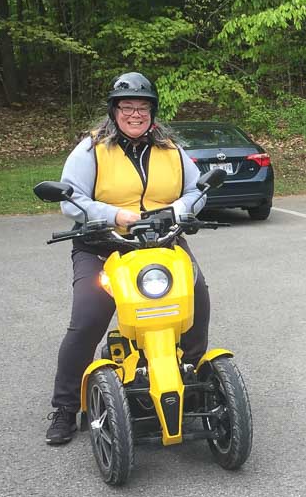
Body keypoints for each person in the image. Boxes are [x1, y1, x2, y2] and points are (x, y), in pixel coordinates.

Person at [45, 72, 211, 444]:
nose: (135, 114)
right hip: (104, 244)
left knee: (196, 304)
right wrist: (114, 215)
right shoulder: (91, 149)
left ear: (152, 112)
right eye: (127, 107)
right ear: (114, 110)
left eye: (143, 107)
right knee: (88, 318)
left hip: (163, 241)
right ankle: (65, 407)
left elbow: (197, 190)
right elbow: (69, 199)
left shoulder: (171, 148)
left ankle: (193, 382)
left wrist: (180, 209)